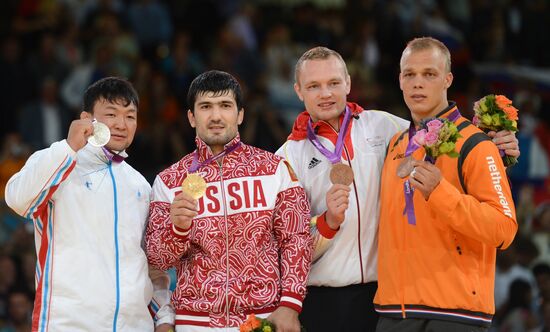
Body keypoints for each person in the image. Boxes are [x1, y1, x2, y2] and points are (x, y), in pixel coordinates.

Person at [276, 46, 520, 331]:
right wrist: (326, 223)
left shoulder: (385, 127)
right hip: (323, 297)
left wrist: (492, 143)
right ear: (298, 90)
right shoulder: (286, 158)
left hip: (384, 299)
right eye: (313, 86)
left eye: (333, 83)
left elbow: (440, 133)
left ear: (349, 83)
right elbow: (285, 243)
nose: (326, 93)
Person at [145, 70, 312, 332]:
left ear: (240, 114)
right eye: (205, 107)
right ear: (191, 116)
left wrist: (290, 305)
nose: (215, 116)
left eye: (225, 106)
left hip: (262, 319)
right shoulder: (169, 181)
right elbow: (156, 259)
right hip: (196, 322)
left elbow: (296, 239)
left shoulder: (274, 169)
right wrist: (176, 229)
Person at [4, 77, 174, 331]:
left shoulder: (140, 185)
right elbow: (18, 200)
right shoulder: (58, 161)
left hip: (134, 325)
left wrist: (163, 317)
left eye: (130, 116)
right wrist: (70, 147)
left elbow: (151, 264)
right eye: (111, 114)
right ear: (86, 118)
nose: (121, 124)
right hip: (70, 324)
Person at [374, 37, 518, 331]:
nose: (418, 84)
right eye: (410, 75)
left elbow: (504, 229)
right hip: (394, 311)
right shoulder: (395, 144)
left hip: (454, 312)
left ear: (447, 80)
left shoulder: (476, 144)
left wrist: (441, 195)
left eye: (429, 74)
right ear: (400, 80)